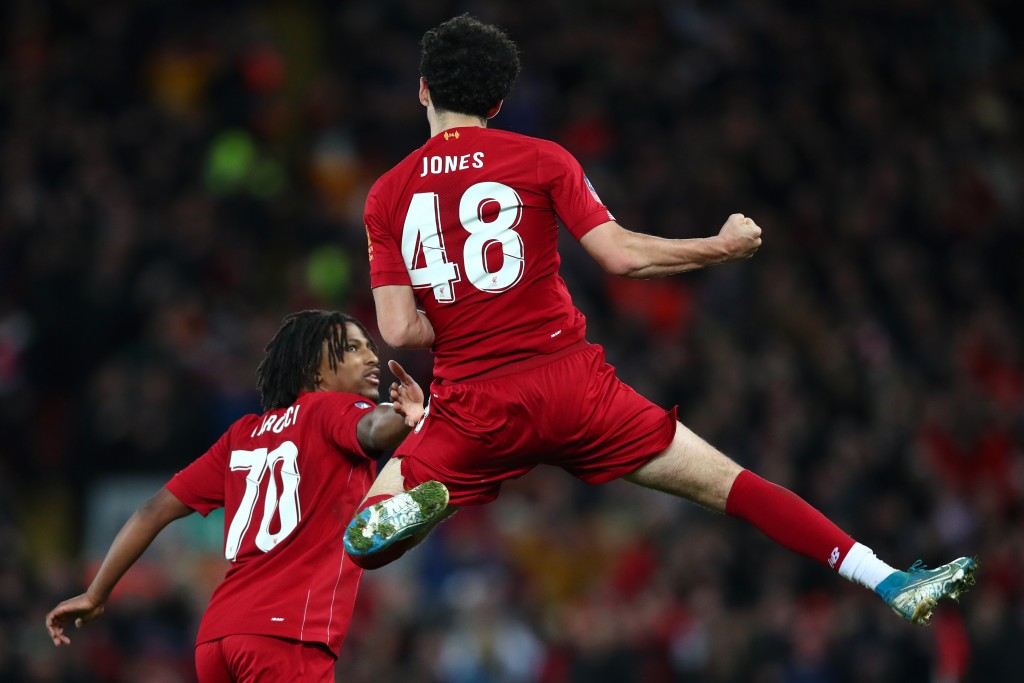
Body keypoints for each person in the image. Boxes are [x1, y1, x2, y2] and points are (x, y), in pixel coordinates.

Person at [344, 14, 976, 625]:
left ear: (423, 88)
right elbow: (619, 256)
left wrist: (465, 322)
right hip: (573, 388)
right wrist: (720, 248)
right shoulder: (542, 159)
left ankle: (419, 503)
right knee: (732, 484)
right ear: (499, 104)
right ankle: (887, 579)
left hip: (473, 409)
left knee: (361, 537)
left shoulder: (389, 193)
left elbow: (399, 330)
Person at [45, 310, 430, 682]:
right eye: (350, 348)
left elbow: (153, 510)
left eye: (368, 346)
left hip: (216, 639)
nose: (370, 356)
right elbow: (375, 427)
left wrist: (96, 593)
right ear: (315, 370)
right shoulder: (338, 408)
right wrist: (406, 413)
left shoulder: (242, 434)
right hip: (285, 635)